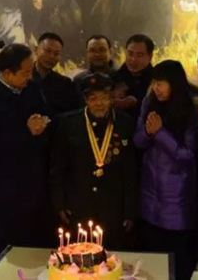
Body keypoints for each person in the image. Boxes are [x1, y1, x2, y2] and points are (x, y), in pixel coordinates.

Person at [0, 44, 52, 271]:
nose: (30, 76)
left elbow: (47, 121)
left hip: (32, 180)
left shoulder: (32, 88)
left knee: (31, 243)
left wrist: (41, 128)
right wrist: (27, 132)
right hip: (1, 186)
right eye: (26, 72)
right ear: (7, 72)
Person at [51, 73, 137, 250]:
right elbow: (58, 167)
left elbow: (131, 170)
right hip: (79, 204)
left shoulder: (125, 123)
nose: (99, 103)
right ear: (85, 99)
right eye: (93, 98)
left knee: (112, 257)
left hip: (113, 207)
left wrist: (130, 209)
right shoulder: (69, 124)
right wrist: (60, 203)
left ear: (111, 98)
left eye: (104, 98)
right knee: (79, 255)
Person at [134, 60, 198, 280]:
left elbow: (187, 155)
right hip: (149, 196)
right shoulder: (149, 103)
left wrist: (161, 133)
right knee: (152, 265)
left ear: (175, 83)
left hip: (176, 198)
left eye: (161, 83)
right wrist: (148, 131)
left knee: (176, 263)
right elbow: (138, 142)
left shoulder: (191, 109)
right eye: (154, 82)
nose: (156, 88)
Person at [32, 33, 81, 117]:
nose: (51, 56)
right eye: (48, 51)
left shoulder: (65, 83)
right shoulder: (22, 79)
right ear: (36, 50)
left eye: (56, 54)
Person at [113, 34, 154, 122]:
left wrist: (136, 104)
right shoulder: (114, 77)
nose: (133, 59)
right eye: (130, 53)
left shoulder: (156, 80)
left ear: (150, 57)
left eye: (139, 55)